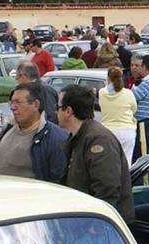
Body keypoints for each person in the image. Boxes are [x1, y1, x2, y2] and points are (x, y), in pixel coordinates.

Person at [57, 84, 135, 222]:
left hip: (103, 225)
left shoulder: (98, 140)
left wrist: (95, 225)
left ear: (68, 111)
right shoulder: (77, 137)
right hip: (84, 218)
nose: (55, 112)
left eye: (57, 107)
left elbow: (107, 189)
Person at [0, 82, 68, 181]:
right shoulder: (10, 129)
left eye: (18, 102)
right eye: (12, 102)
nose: (12, 107)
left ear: (36, 104)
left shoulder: (54, 138)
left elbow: (57, 180)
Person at [99, 66, 137, 157]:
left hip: (108, 131)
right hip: (127, 131)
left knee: (110, 162)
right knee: (126, 162)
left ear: (108, 78)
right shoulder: (128, 93)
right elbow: (134, 109)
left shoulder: (102, 92)